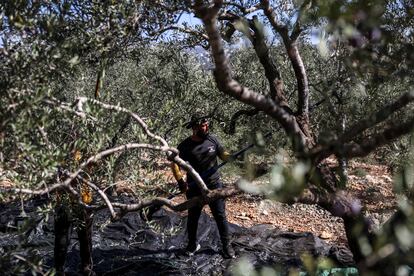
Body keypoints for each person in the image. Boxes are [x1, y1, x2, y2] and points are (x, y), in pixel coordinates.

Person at [171, 113, 236, 259]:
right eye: (202, 126)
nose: (205, 127)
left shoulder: (212, 139)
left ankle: (227, 247)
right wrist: (180, 181)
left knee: (220, 216)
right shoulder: (185, 145)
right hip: (194, 188)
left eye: (206, 125)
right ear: (194, 128)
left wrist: (230, 157)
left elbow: (222, 153)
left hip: (214, 185)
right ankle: (192, 245)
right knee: (193, 218)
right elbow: (174, 162)